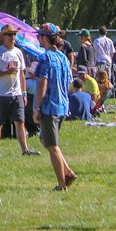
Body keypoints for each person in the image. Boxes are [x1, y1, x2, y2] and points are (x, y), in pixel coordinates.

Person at [34, 25, 77, 191]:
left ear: (45, 38)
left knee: (52, 146)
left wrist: (37, 107)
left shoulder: (45, 58)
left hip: (49, 107)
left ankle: (62, 183)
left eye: (39, 36)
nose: (38, 39)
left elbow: (42, 84)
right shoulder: (64, 58)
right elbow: (68, 83)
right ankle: (68, 171)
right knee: (45, 140)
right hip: (62, 106)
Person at [0, 27, 36, 157]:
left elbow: (22, 75)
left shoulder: (19, 52)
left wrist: (24, 93)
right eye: (9, 34)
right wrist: (5, 72)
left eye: (14, 34)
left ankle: (25, 150)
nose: (12, 37)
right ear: (3, 37)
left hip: (17, 93)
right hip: (0, 93)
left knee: (20, 122)